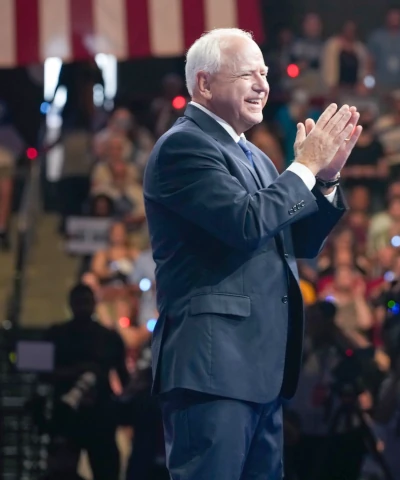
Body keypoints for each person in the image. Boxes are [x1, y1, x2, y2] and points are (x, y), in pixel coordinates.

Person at [142, 28, 363, 479]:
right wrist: (302, 167)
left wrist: (324, 180)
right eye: (248, 74)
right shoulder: (184, 146)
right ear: (204, 84)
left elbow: (296, 242)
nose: (264, 84)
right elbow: (246, 224)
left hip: (260, 371)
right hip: (213, 368)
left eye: (265, 73)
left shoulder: (257, 159)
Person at [44, 284, 129, 480]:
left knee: (106, 472)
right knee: (62, 474)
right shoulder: (56, 335)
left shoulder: (109, 337)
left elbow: (124, 378)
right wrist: (76, 372)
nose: (83, 307)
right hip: (68, 417)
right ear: (71, 304)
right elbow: (42, 373)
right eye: (79, 302)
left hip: (99, 417)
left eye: (86, 302)